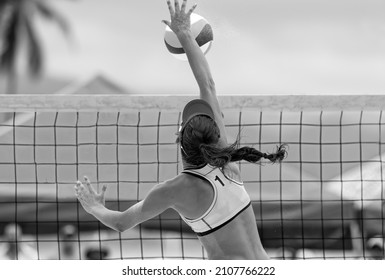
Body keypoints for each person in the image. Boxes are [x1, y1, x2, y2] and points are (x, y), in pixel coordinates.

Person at [75, 0, 286, 260]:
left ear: (180, 141)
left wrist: (94, 207)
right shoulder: (228, 163)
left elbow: (120, 223)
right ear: (216, 136)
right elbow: (207, 84)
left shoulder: (173, 190)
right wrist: (186, 35)